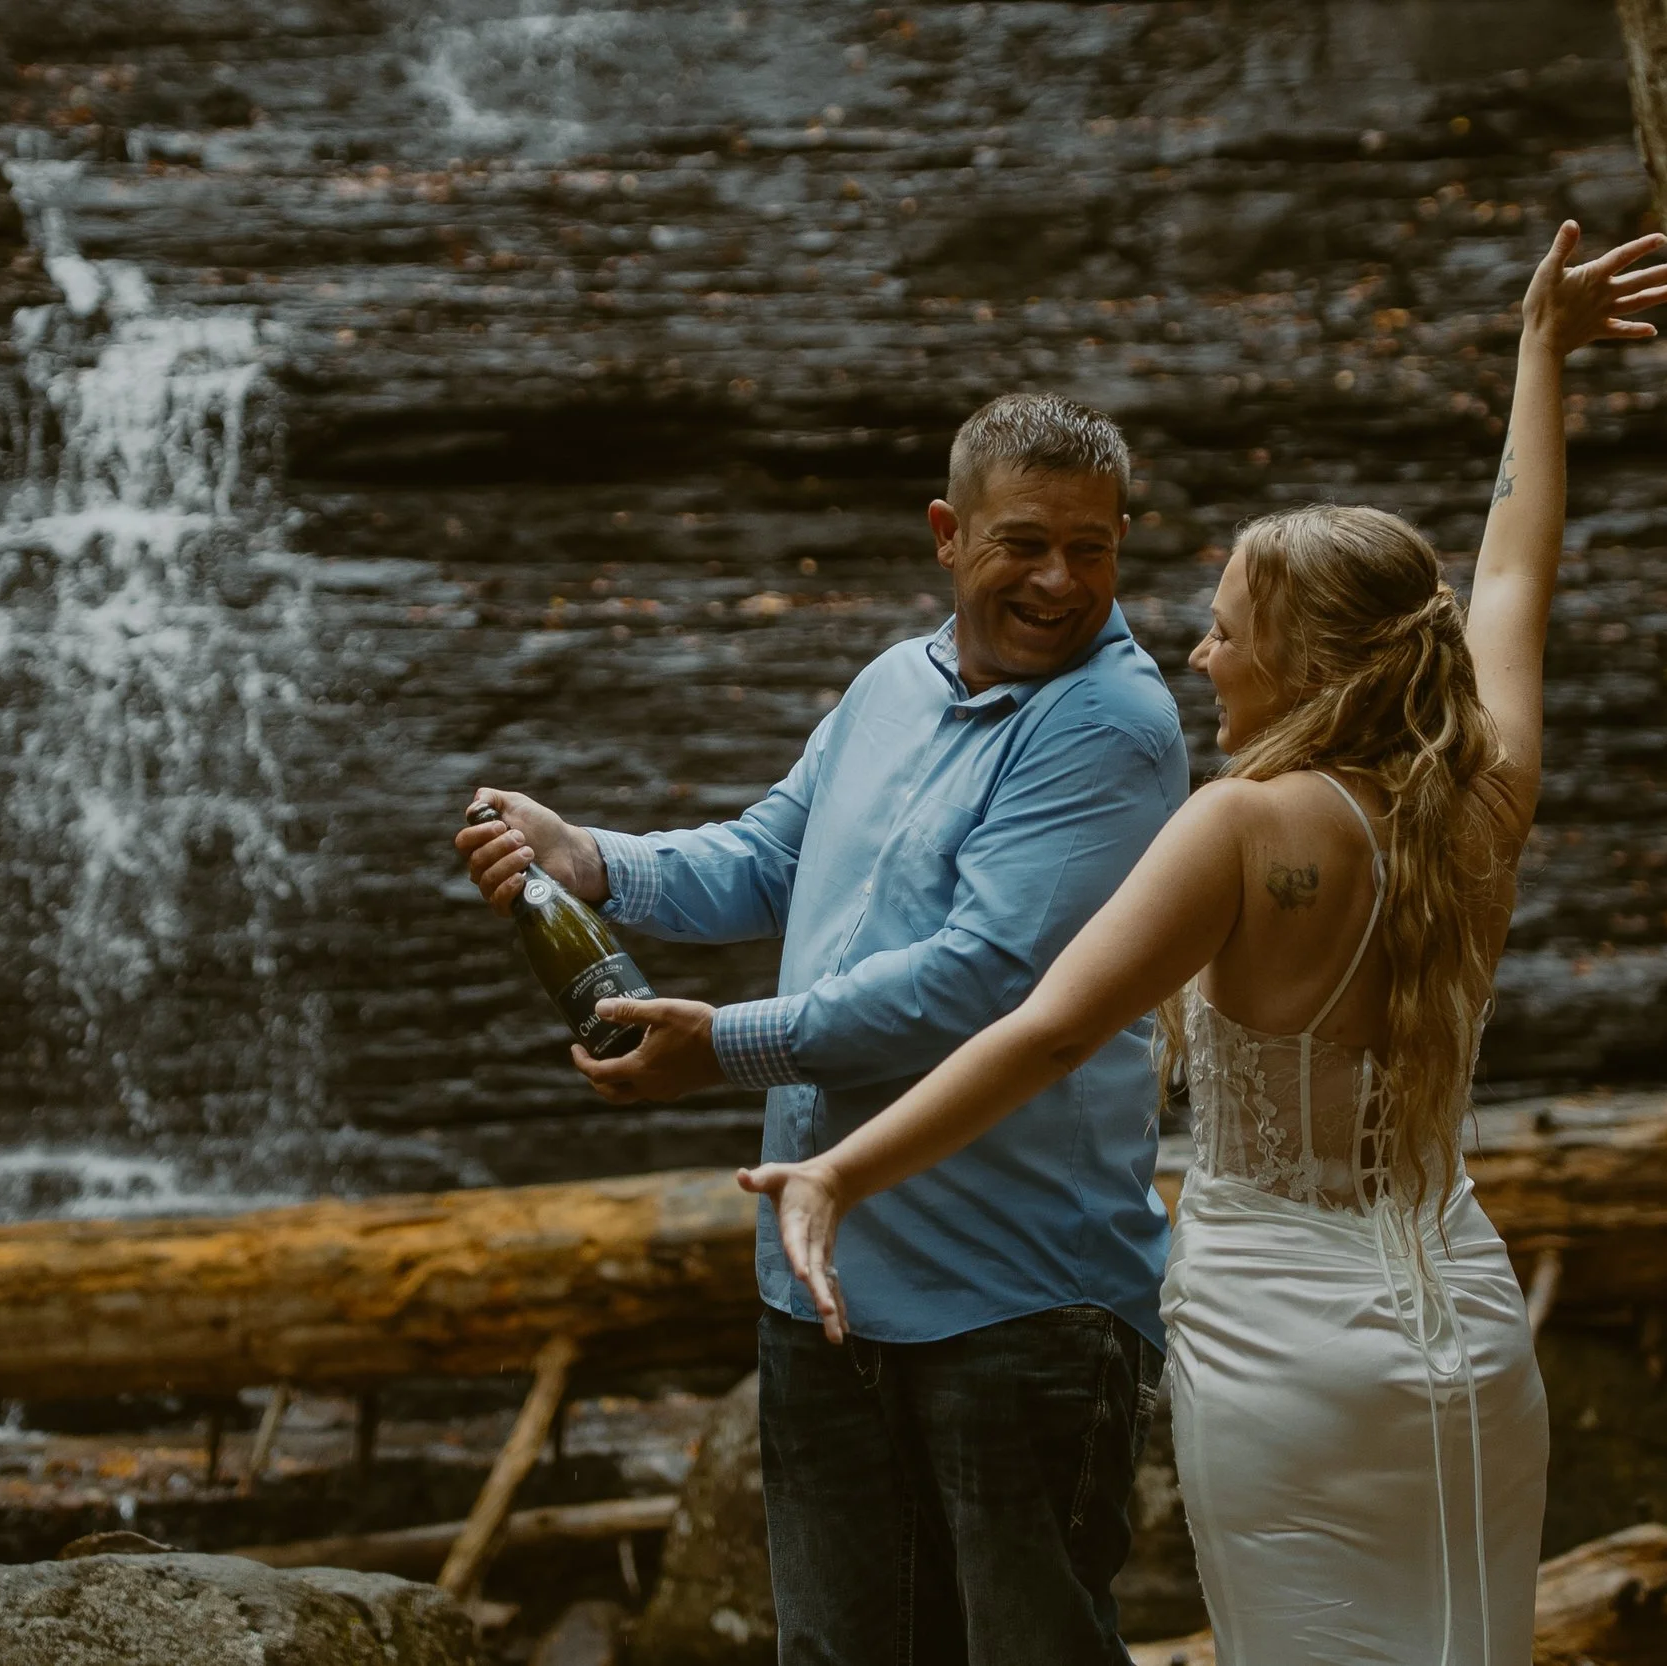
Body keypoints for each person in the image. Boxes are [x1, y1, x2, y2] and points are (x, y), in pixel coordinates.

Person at [737, 221, 1667, 1663]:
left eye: (1228, 630)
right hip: (1466, 1321)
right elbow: (1509, 579)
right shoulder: (1484, 796)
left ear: (1306, 662)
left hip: (1279, 1333)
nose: (1197, 655)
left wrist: (838, 1171)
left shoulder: (1243, 826)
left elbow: (1045, 1023)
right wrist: (1539, 361)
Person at [455, 393, 1190, 1665]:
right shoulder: (890, 686)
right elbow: (764, 857)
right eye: (1024, 542)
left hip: (1019, 1301)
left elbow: (981, 981)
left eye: (1093, 545)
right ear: (946, 534)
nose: (1060, 579)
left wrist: (720, 1044)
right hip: (824, 1280)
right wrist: (591, 861)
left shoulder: (1111, 727)